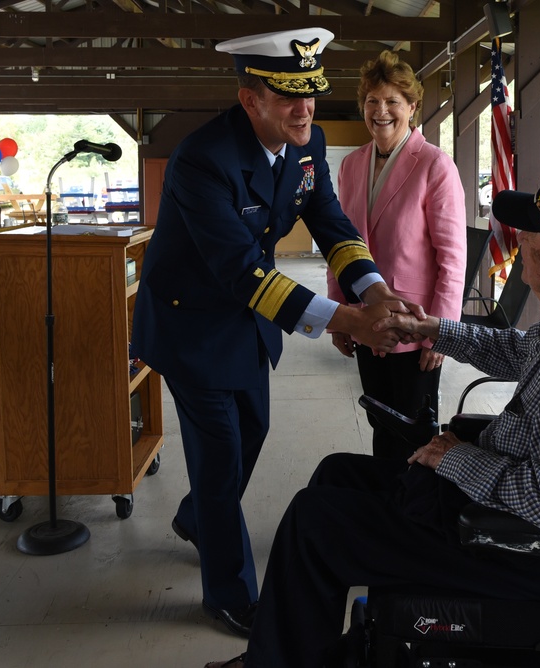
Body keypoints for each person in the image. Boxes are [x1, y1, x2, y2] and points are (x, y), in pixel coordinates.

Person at [205, 161, 540, 668]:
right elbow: (514, 351)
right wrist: (431, 329)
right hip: (506, 520)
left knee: (315, 522)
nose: (520, 237)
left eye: (531, 233)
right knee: (337, 473)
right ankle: (301, 649)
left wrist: (457, 458)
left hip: (529, 550)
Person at [130, 28, 421, 639]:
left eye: (310, 94)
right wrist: (347, 320)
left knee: (252, 432)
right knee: (219, 457)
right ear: (249, 100)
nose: (305, 109)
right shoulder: (202, 157)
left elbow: (332, 224)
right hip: (190, 321)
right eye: (288, 97)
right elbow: (241, 270)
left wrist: (374, 289)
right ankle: (230, 593)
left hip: (245, 318)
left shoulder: (306, 142)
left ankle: (198, 520)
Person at [328, 51, 466, 460]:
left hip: (417, 327)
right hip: (365, 320)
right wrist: (338, 312)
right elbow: (339, 243)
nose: (381, 111)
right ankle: (384, 505)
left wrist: (444, 331)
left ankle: (412, 513)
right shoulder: (351, 166)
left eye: (392, 101)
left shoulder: (435, 166)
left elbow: (453, 258)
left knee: (414, 430)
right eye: (372, 101)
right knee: (379, 419)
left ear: (411, 106)